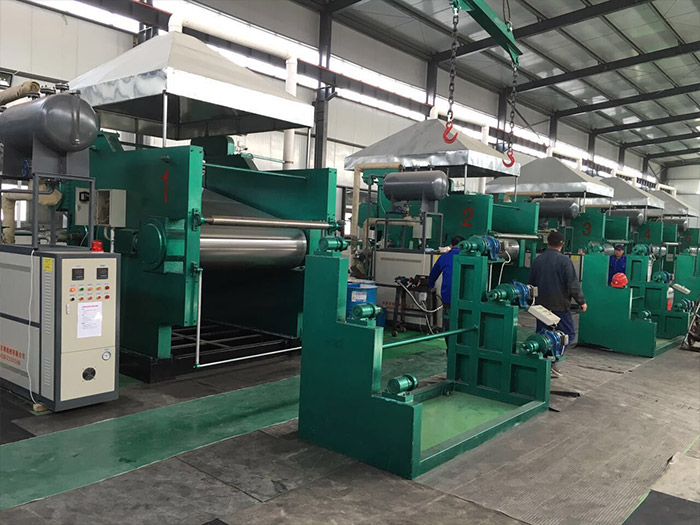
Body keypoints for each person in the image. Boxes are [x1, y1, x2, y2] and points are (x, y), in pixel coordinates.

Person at [528, 231, 587, 378]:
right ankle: (552, 360)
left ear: (547, 243)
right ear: (562, 244)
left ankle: (540, 365)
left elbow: (531, 284)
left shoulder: (537, 260)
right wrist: (581, 301)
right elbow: (572, 284)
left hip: (540, 306)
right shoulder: (565, 261)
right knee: (568, 334)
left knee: (542, 336)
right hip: (559, 305)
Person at [428, 236, 465, 339]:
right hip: (466, 298)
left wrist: (430, 285)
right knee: (464, 323)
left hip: (448, 296)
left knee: (448, 324)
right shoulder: (470, 258)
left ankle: (450, 346)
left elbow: (433, 275)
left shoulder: (444, 257)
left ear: (451, 246)